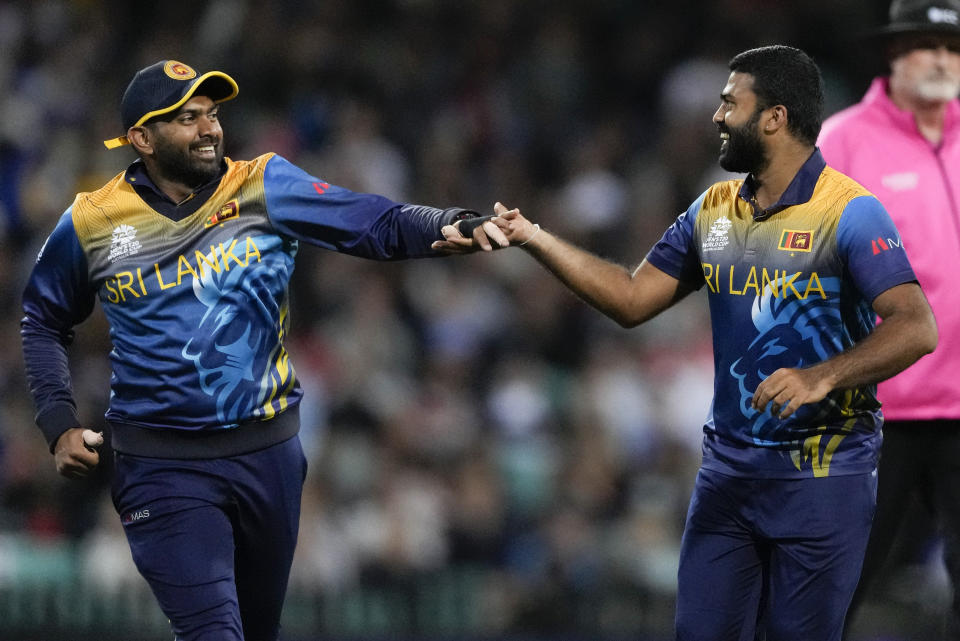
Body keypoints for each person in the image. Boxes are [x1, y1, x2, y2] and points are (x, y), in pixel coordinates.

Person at [434, 45, 938, 641]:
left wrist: (820, 375)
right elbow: (630, 298)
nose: (717, 115)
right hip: (727, 478)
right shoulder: (713, 209)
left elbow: (916, 326)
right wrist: (533, 237)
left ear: (774, 117)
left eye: (730, 102)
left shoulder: (852, 214)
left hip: (822, 480)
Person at [19, 59, 506, 641]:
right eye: (186, 118)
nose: (208, 129)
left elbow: (371, 222)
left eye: (212, 114)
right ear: (141, 139)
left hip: (268, 457)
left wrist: (445, 222)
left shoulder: (263, 183)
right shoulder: (92, 220)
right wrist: (59, 422)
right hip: (159, 464)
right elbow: (41, 319)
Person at [817, 0, 960, 636]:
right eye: (926, 45)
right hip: (875, 407)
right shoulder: (843, 140)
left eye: (953, 47)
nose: (941, 59)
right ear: (893, 55)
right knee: (831, 585)